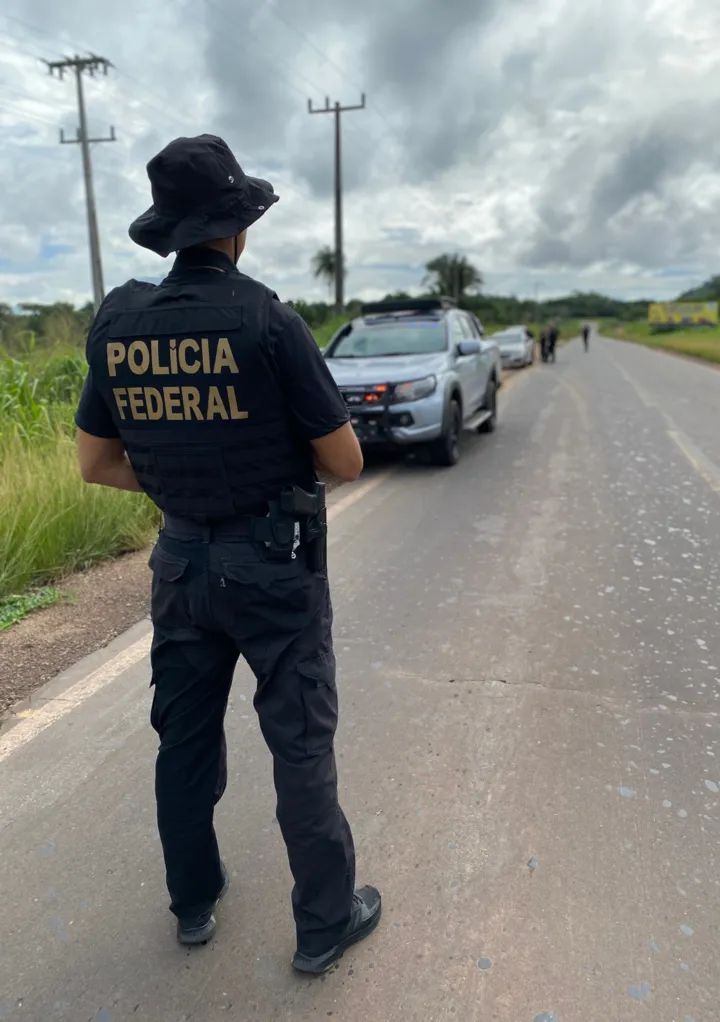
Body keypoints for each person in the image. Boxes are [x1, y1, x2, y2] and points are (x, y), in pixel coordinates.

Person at [74, 134, 381, 975]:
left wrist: (182, 480)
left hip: (179, 565)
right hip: (272, 567)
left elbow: (98, 463)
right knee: (300, 746)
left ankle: (194, 903)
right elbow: (345, 461)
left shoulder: (117, 323)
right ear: (236, 228)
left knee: (184, 741)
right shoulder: (267, 319)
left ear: (170, 231)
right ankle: (323, 926)